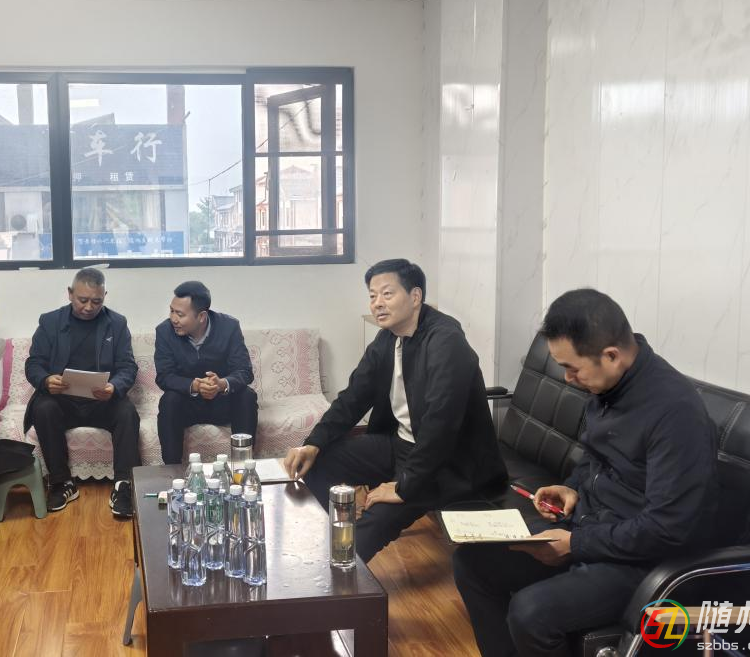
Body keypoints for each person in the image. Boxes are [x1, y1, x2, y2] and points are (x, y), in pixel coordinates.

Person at [452, 288, 720, 657]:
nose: (567, 378)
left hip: (643, 561)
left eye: (572, 368)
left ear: (611, 355)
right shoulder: (609, 384)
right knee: (473, 563)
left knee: (532, 613)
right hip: (592, 528)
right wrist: (572, 488)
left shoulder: (676, 413)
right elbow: (596, 456)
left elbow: (666, 528)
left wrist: (576, 544)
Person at [283, 258, 508, 563]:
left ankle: (335, 573)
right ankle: (328, 540)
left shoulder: (446, 341)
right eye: (372, 295)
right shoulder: (387, 338)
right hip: (400, 445)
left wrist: (404, 487)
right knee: (316, 464)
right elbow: (353, 398)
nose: (377, 303)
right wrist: (313, 443)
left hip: (448, 464)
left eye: (387, 294)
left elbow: (440, 424)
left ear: (415, 297)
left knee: (365, 534)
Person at [24, 267, 140, 518]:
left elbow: (127, 366)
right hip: (63, 400)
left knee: (127, 412)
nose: (89, 307)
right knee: (43, 408)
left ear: (104, 296)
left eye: (96, 301)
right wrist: (46, 380)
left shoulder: (116, 323)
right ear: (70, 293)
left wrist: (114, 387)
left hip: (101, 401)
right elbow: (34, 363)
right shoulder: (50, 322)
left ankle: (123, 485)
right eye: (82, 300)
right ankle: (61, 483)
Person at [153, 281, 258, 465]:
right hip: (188, 403)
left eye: (180, 314)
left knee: (247, 396)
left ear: (201, 316)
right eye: (171, 311)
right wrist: (194, 386)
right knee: (169, 400)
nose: (173, 319)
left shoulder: (229, 327)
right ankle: (171, 470)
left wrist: (222, 384)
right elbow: (164, 376)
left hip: (222, 402)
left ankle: (243, 466)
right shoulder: (164, 331)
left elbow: (244, 371)